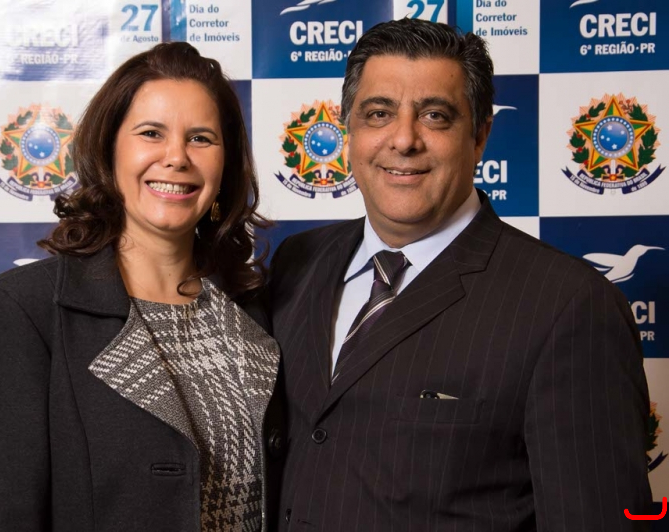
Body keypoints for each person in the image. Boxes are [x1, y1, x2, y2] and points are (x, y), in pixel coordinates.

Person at [267, 18, 652, 531]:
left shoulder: (570, 305)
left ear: (480, 136)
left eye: (435, 116)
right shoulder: (298, 261)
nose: (404, 139)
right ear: (349, 131)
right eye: (379, 113)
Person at [0, 42, 284, 532]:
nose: (176, 158)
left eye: (201, 138)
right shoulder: (22, 310)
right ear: (110, 151)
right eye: (151, 133)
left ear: (226, 163)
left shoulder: (255, 312)